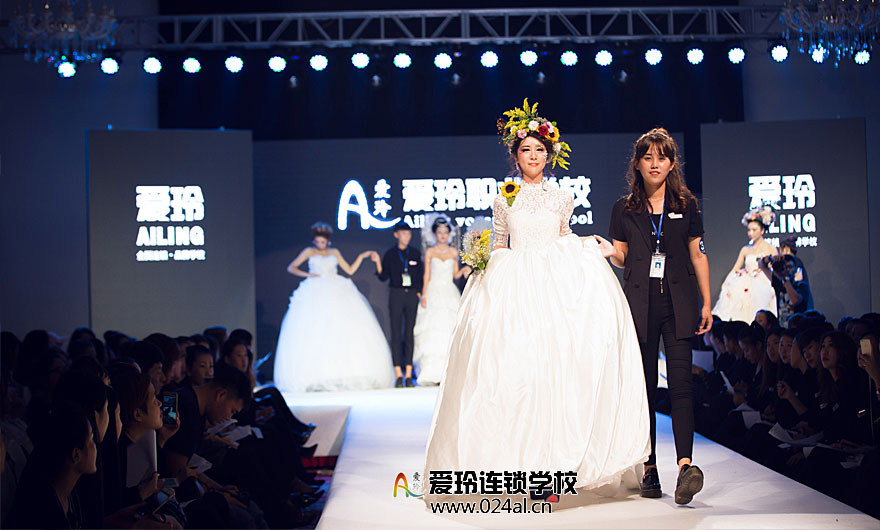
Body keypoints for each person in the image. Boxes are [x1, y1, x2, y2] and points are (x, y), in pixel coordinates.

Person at [424, 100, 650, 499]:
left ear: (549, 155)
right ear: (515, 156)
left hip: (554, 286)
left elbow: (564, 236)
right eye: (526, 150)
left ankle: (558, 465)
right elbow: (500, 242)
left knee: (557, 372)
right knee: (514, 374)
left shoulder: (563, 196)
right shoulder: (503, 198)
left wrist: (584, 248)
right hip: (513, 289)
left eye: (539, 150)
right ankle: (518, 465)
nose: (533, 156)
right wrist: (484, 265)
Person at [596, 127, 711, 504]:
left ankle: (685, 467)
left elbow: (698, 255)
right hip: (640, 304)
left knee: (681, 385)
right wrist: (609, 251)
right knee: (643, 387)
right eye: (648, 157)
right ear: (637, 164)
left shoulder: (686, 205)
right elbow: (623, 256)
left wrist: (707, 303)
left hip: (680, 303)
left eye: (662, 157)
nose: (655, 164)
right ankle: (649, 467)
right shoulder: (624, 208)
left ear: (672, 163)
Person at [273, 222, 394, 392]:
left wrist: (362, 256)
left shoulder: (334, 252)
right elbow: (291, 267)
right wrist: (308, 274)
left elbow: (350, 270)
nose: (320, 244)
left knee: (340, 329)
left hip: (336, 289)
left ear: (328, 241)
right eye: (317, 241)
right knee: (315, 330)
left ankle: (341, 373)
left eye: (322, 241)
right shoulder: (309, 252)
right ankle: (315, 376)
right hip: (314, 292)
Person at [412, 215, 470, 385]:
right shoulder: (430, 252)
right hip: (433, 291)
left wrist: (465, 269)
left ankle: (450, 373)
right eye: (440, 232)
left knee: (449, 328)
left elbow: (455, 275)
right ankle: (432, 371)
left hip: (449, 292)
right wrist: (424, 295)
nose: (443, 235)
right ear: (435, 234)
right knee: (432, 329)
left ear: (449, 234)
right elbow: (427, 275)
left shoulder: (453, 252)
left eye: (446, 232)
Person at [374, 222, 425, 387]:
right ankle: (398, 374)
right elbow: (383, 276)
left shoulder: (415, 253)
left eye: (408, 234)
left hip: (411, 294)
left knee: (409, 333)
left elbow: (420, 274)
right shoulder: (391, 254)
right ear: (396, 235)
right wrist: (377, 262)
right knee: (396, 334)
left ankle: (409, 374)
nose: (406, 237)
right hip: (396, 294)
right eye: (403, 233)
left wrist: (419, 292)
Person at [712, 206, 778, 323]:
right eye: (749, 230)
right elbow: (736, 267)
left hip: (763, 281)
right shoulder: (745, 249)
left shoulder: (770, 248)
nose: (751, 233)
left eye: (754, 230)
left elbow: (776, 270)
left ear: (762, 230)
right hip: (745, 282)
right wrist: (725, 283)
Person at [759, 253, 813, 325]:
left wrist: (785, 278)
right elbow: (761, 265)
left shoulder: (801, 285)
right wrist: (771, 258)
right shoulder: (779, 283)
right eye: (784, 267)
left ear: (795, 269)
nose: (786, 270)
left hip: (798, 326)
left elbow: (795, 301)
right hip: (782, 326)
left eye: (790, 267)